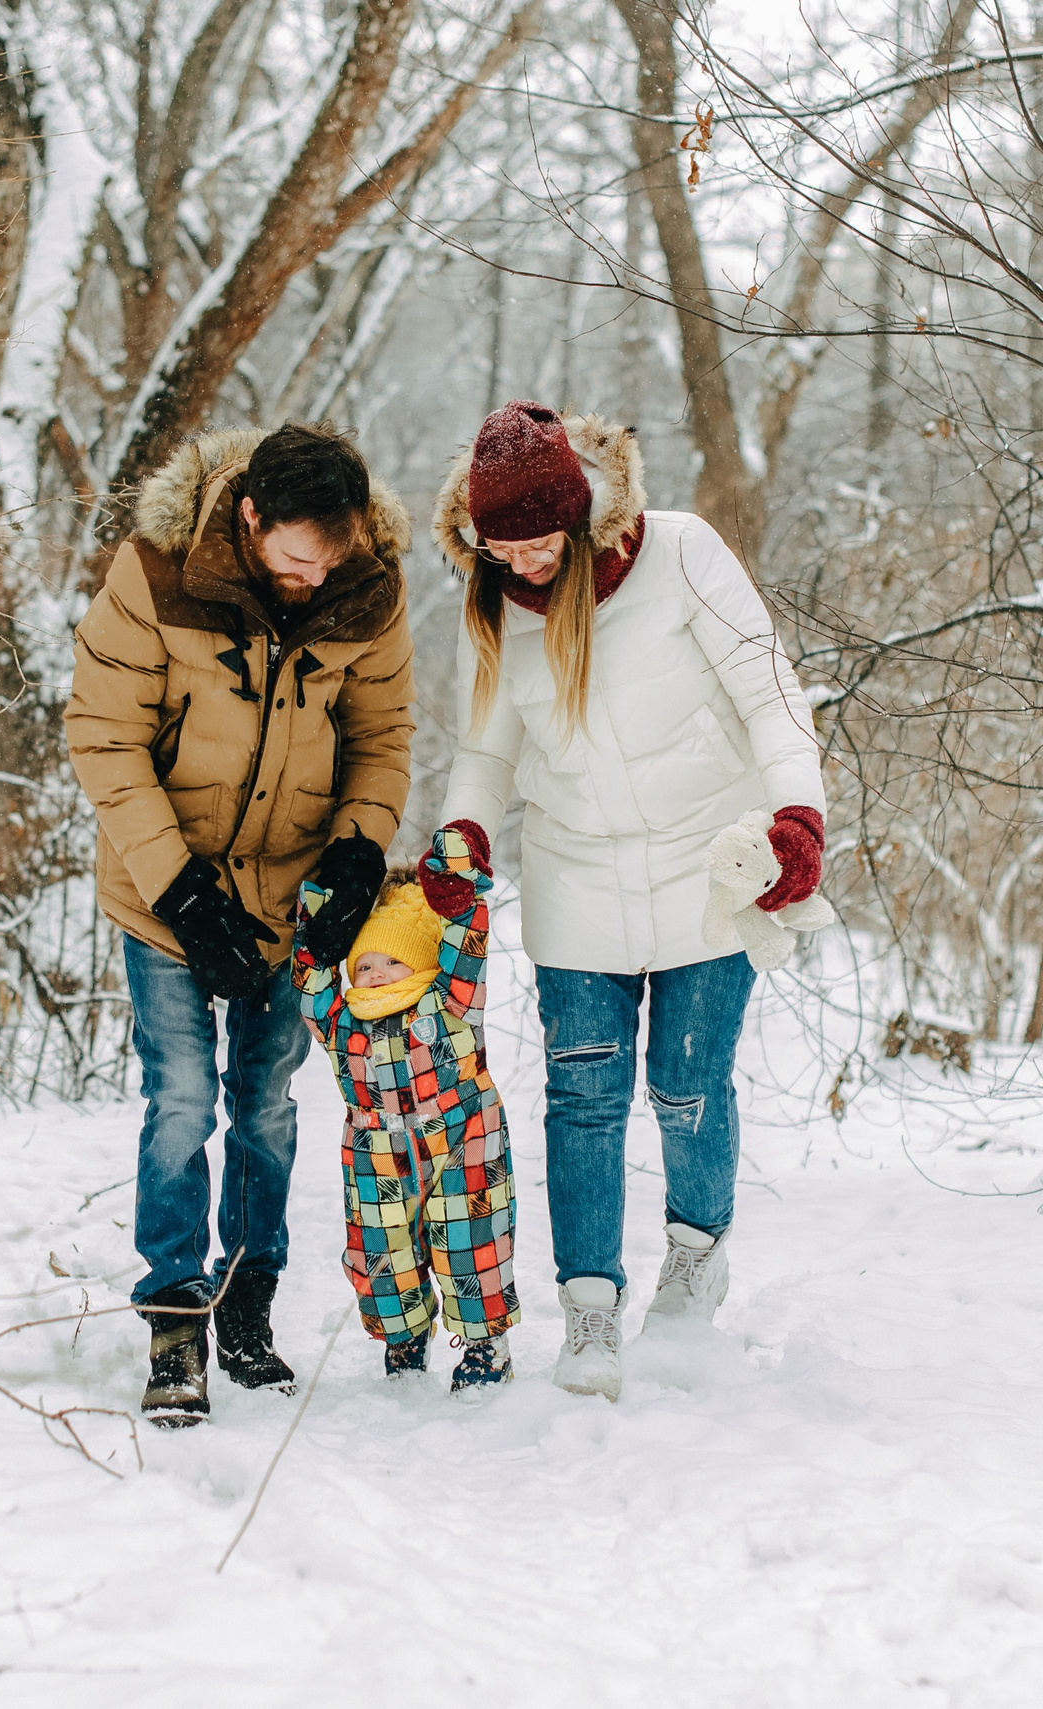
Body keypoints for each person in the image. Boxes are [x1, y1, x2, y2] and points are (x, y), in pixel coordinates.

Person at [428, 401, 826, 1401]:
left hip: (707, 871)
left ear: (580, 516)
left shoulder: (681, 551)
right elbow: (485, 751)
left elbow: (768, 689)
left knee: (688, 1089)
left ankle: (695, 1253)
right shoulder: (490, 603)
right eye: (498, 547)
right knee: (584, 1098)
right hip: (577, 883)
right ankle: (591, 1309)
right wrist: (464, 833)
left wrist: (797, 818)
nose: (518, 565)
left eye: (534, 543)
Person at [67, 421, 414, 1427]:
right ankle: (175, 1320)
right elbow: (105, 737)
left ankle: (245, 1306)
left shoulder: (366, 589)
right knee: (180, 1096)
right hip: (163, 887)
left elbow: (382, 739)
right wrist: (180, 892)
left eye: (330, 557)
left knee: (265, 1101)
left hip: (290, 899)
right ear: (251, 516)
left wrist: (356, 846)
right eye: (295, 558)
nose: (312, 577)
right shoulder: (156, 572)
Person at [292, 827, 518, 1393]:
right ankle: (404, 1336)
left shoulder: (450, 1006)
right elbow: (314, 979)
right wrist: (321, 909)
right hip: (376, 1153)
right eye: (364, 964)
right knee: (379, 1253)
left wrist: (454, 881)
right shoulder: (343, 1024)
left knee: (469, 1244)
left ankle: (484, 1346)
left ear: (419, 963)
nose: (374, 974)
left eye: (392, 961)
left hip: (461, 1140)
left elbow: (466, 945)